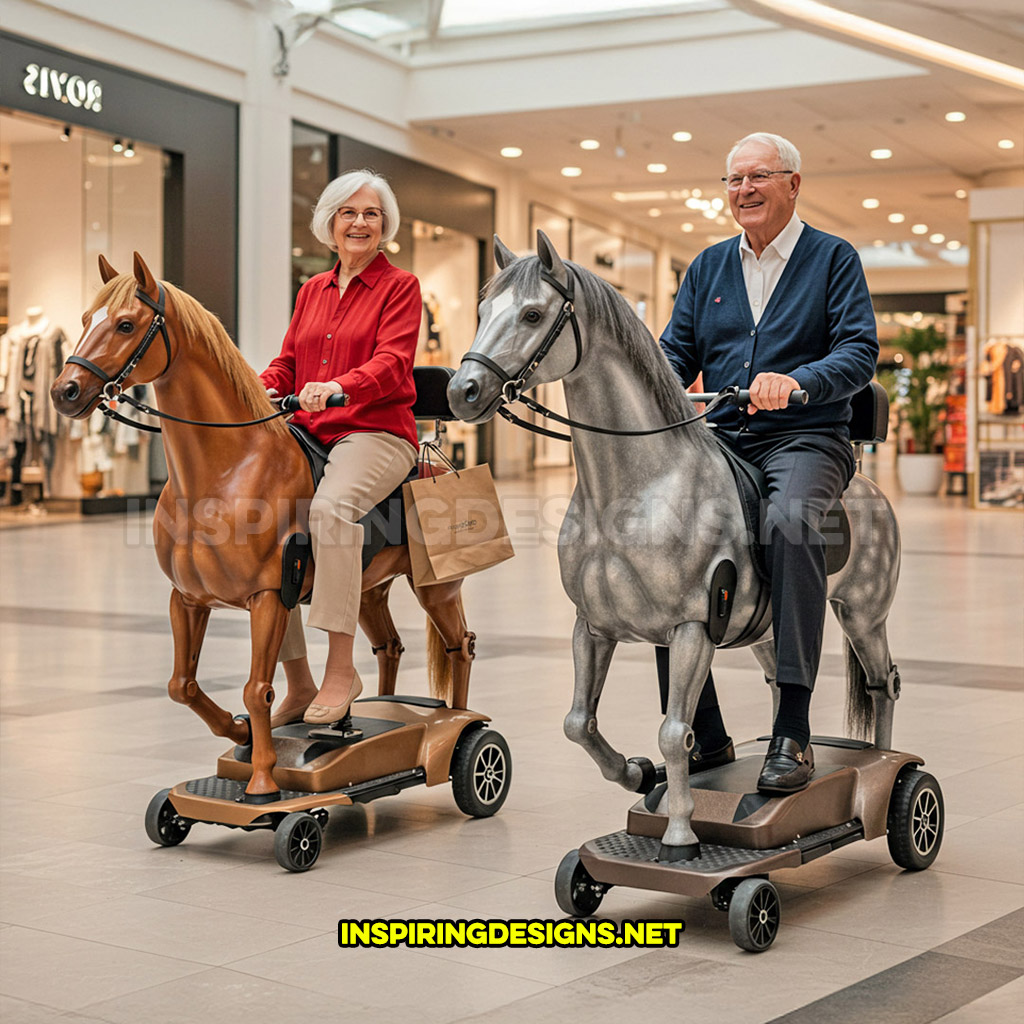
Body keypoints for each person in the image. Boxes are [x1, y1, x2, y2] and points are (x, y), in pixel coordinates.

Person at [659, 132, 879, 794]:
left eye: (758, 177)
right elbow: (676, 350)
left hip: (807, 436)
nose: (744, 190)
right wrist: (656, 392)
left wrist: (801, 381)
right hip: (722, 438)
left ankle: (793, 728)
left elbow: (859, 350)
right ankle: (702, 732)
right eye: (732, 180)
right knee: (664, 538)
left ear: (793, 183)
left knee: (789, 522)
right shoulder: (707, 267)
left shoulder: (833, 258)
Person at [260, 169, 420, 727]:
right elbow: (287, 360)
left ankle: (340, 670)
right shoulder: (311, 290)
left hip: (375, 430)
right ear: (330, 223)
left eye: (371, 214)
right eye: (348, 213)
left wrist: (339, 386)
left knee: (331, 512)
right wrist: (260, 384)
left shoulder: (401, 286)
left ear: (384, 226)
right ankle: (299, 681)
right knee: (267, 530)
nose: (359, 222)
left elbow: (394, 362)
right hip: (310, 429)